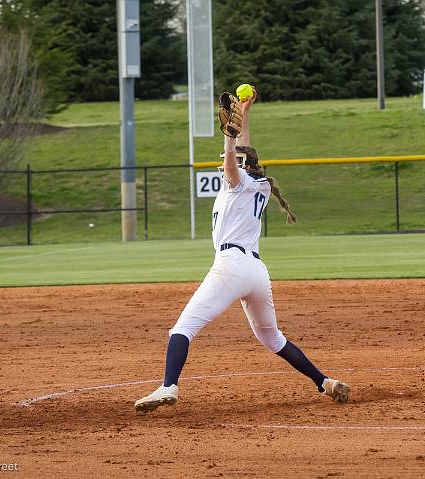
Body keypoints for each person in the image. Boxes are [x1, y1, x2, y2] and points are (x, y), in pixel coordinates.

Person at [134, 88, 349, 411]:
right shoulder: (253, 183)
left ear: (241, 162)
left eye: (228, 159)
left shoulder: (238, 181)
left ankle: (168, 386)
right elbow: (243, 155)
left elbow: (235, 161)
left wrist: (229, 138)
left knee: (183, 328)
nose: (224, 163)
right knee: (273, 338)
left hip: (231, 265)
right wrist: (244, 112)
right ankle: (325, 382)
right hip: (256, 272)